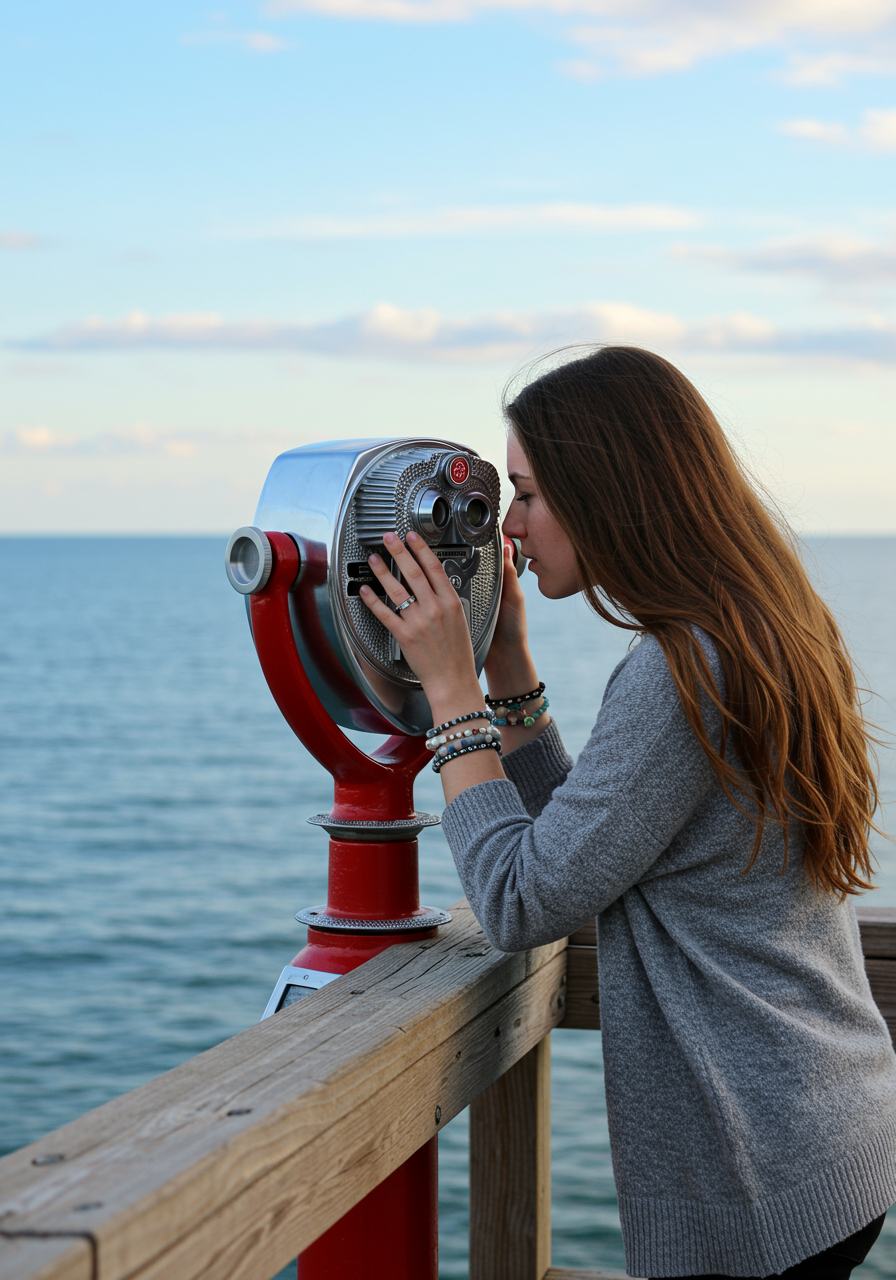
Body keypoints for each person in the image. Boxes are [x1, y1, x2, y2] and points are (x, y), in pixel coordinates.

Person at [358, 345, 896, 1279]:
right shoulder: (746, 628)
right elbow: (597, 840)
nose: (507, 530)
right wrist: (509, 669)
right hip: (824, 1130)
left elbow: (523, 900)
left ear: (605, 489)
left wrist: (452, 695)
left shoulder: (679, 670)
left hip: (757, 1172)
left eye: (524, 495)